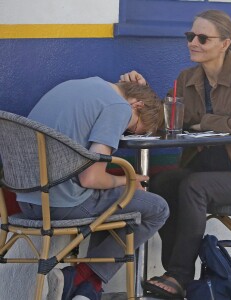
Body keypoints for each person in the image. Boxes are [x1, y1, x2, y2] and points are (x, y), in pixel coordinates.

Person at [120, 9, 231, 299]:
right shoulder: (187, 78)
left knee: (193, 187)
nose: (194, 42)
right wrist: (140, 91)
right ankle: (174, 275)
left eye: (203, 38)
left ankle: (179, 275)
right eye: (191, 36)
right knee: (163, 183)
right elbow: (166, 120)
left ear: (224, 43)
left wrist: (205, 121)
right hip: (205, 166)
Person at [16, 76, 169, 300]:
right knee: (157, 208)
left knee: (118, 204)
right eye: (133, 129)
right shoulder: (118, 107)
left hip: (27, 201)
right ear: (137, 105)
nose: (125, 134)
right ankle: (80, 278)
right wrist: (126, 181)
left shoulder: (74, 86)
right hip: (61, 204)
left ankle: (88, 291)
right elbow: (91, 179)